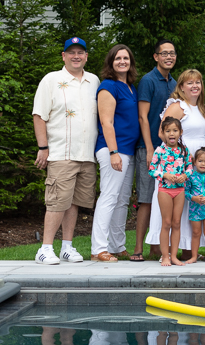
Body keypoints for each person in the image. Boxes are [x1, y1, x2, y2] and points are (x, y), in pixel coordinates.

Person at [32, 37, 99, 265]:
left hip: (86, 155)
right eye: (71, 52)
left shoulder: (94, 81)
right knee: (57, 202)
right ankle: (45, 248)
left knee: (74, 202)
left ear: (86, 56)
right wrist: (43, 147)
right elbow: (39, 115)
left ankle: (67, 247)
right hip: (61, 153)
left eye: (80, 52)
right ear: (63, 56)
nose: (76, 56)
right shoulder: (52, 80)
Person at [150, 69, 205, 259]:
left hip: (197, 161)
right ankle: (167, 252)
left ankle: (187, 249)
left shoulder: (202, 108)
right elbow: (163, 133)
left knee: (190, 205)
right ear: (181, 87)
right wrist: (180, 151)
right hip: (176, 162)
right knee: (172, 207)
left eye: (198, 82)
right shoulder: (178, 106)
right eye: (189, 83)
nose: (195, 86)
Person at [90, 43, 141, 262]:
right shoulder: (108, 86)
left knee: (122, 200)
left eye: (126, 58)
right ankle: (98, 249)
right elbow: (106, 122)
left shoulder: (130, 87)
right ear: (111, 62)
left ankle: (117, 245)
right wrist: (113, 152)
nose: (122, 62)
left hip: (127, 151)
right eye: (118, 58)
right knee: (109, 197)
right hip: (113, 149)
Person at [134, 39, 177, 261]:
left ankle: (156, 247)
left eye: (172, 53)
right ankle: (138, 249)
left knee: (164, 199)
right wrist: (150, 148)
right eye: (164, 53)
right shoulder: (148, 81)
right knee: (146, 199)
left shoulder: (174, 83)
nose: (168, 57)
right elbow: (142, 116)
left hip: (170, 153)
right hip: (148, 148)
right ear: (156, 57)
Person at [150, 116, 190, 266]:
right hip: (165, 190)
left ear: (180, 132)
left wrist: (185, 175)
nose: (171, 134)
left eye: (175, 130)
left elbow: (190, 168)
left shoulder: (184, 150)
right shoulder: (160, 150)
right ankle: (165, 256)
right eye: (168, 131)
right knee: (166, 222)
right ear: (163, 133)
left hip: (180, 190)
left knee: (177, 222)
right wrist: (164, 174)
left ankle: (174, 256)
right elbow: (152, 170)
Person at [184, 147, 205, 265]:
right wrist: (193, 198)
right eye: (200, 161)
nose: (202, 164)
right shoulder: (191, 177)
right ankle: (194, 256)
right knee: (196, 233)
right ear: (194, 162)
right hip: (195, 210)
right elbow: (185, 192)